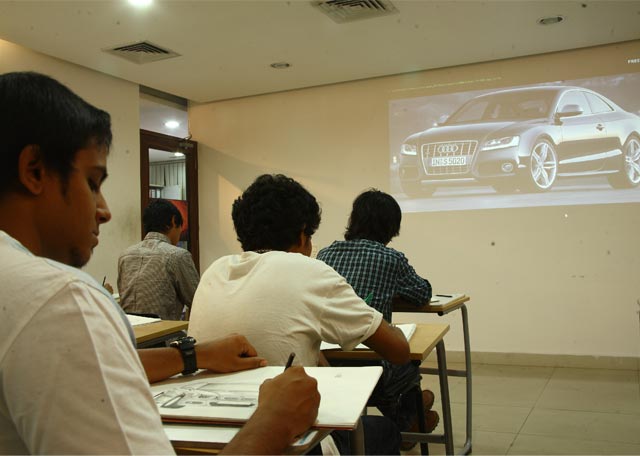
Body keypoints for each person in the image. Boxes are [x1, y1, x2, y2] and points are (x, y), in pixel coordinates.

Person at [0, 71, 319, 455]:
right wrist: (275, 419)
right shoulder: (61, 299)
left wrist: (192, 354)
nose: (104, 210)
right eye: (93, 182)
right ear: (34, 170)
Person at [188, 174, 414, 454]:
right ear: (302, 234)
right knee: (385, 430)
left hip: (201, 433)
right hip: (285, 440)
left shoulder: (216, 270)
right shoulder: (309, 271)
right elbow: (399, 351)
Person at [317, 189, 436, 449]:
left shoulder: (325, 255)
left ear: (353, 220)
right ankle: (407, 420)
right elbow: (422, 293)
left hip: (328, 364)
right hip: (374, 367)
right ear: (392, 227)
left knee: (379, 367)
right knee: (407, 363)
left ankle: (408, 419)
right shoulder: (390, 259)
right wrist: (392, 290)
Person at [118, 199, 199, 320]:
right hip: (165, 331)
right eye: (180, 229)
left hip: (129, 330)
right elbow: (198, 301)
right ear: (173, 221)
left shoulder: (125, 256)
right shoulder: (177, 256)